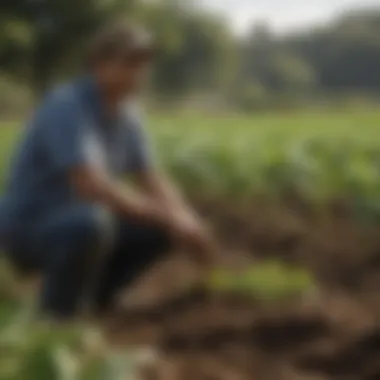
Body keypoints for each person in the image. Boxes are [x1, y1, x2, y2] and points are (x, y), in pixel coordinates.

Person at [0, 22, 216, 321]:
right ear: (98, 64)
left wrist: (186, 219)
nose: (138, 73)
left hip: (75, 219)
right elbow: (90, 185)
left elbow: (151, 175)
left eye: (143, 64)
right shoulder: (67, 106)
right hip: (28, 227)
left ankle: (98, 301)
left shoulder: (127, 113)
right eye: (128, 63)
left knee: (159, 226)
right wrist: (169, 217)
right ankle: (56, 319)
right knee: (91, 224)